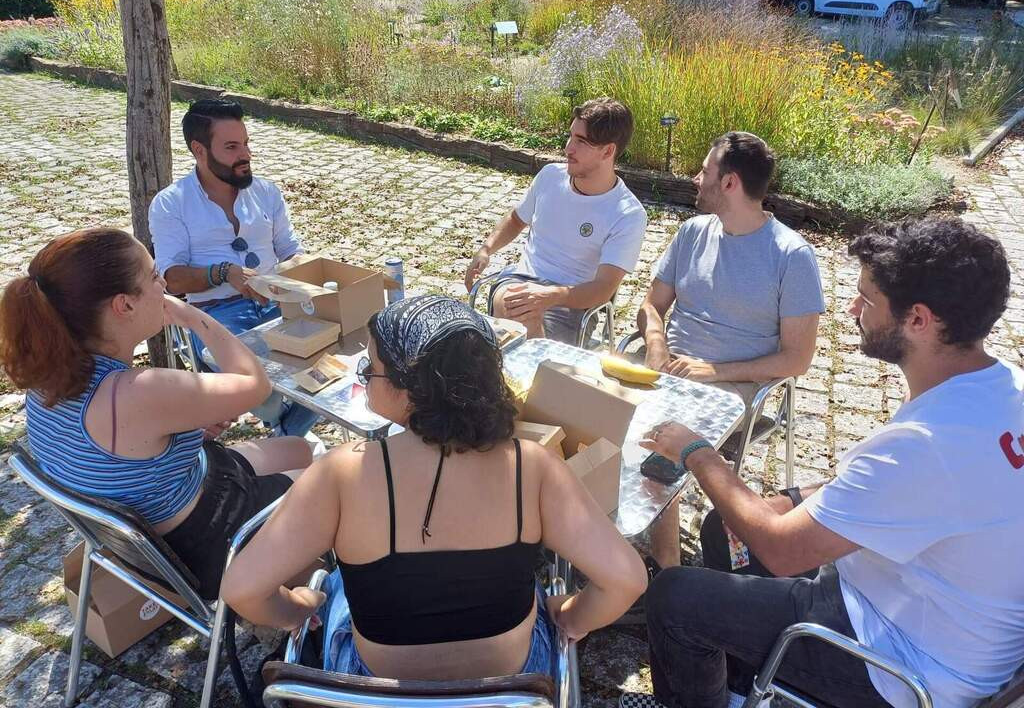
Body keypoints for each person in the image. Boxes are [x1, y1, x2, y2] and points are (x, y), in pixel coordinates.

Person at [620, 217, 1022, 708]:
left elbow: (783, 553)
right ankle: (743, 689)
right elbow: (902, 493)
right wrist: (785, 501)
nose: (852, 308)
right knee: (721, 530)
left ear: (919, 320)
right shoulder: (1002, 391)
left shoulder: (927, 444)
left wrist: (696, 452)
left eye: (866, 300)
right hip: (944, 624)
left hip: (898, 666)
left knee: (674, 597)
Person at [222, 295, 648, 680]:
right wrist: (573, 618)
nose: (366, 375)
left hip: (377, 692)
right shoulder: (532, 466)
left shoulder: (341, 474)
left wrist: (296, 610)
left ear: (409, 389)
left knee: (332, 586)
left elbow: (243, 589)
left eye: (371, 367)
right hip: (509, 690)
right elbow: (626, 579)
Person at [0, 228, 312, 599]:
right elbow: (255, 384)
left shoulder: (48, 375)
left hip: (144, 544)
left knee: (298, 449)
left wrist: (182, 431)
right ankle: (295, 594)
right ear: (124, 305)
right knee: (328, 478)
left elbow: (119, 450)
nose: (164, 284)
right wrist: (192, 316)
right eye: (152, 276)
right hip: (204, 547)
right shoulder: (140, 391)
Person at [637, 132, 823, 573]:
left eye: (704, 171)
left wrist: (715, 371)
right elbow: (651, 305)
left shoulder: (792, 257)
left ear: (730, 183)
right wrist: (656, 343)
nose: (695, 178)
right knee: (587, 409)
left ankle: (666, 573)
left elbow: (797, 358)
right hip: (670, 366)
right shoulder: (692, 233)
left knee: (661, 441)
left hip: (734, 386)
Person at [149, 98, 318, 438]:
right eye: (231, 147)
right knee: (264, 394)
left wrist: (289, 277)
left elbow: (291, 251)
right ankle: (290, 429)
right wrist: (223, 272)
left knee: (335, 359)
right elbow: (170, 278)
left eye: (245, 143)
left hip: (277, 303)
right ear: (199, 150)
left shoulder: (265, 192)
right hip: (216, 316)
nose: (245, 155)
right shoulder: (171, 203)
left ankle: (289, 432)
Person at [464, 98, 648, 343]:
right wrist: (486, 249)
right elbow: (517, 218)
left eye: (581, 141)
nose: (568, 148)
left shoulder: (627, 214)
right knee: (518, 308)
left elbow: (604, 289)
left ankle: (519, 374)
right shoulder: (550, 176)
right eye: (570, 136)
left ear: (608, 151)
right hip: (520, 283)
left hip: (572, 305)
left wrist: (551, 296)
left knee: (519, 320)